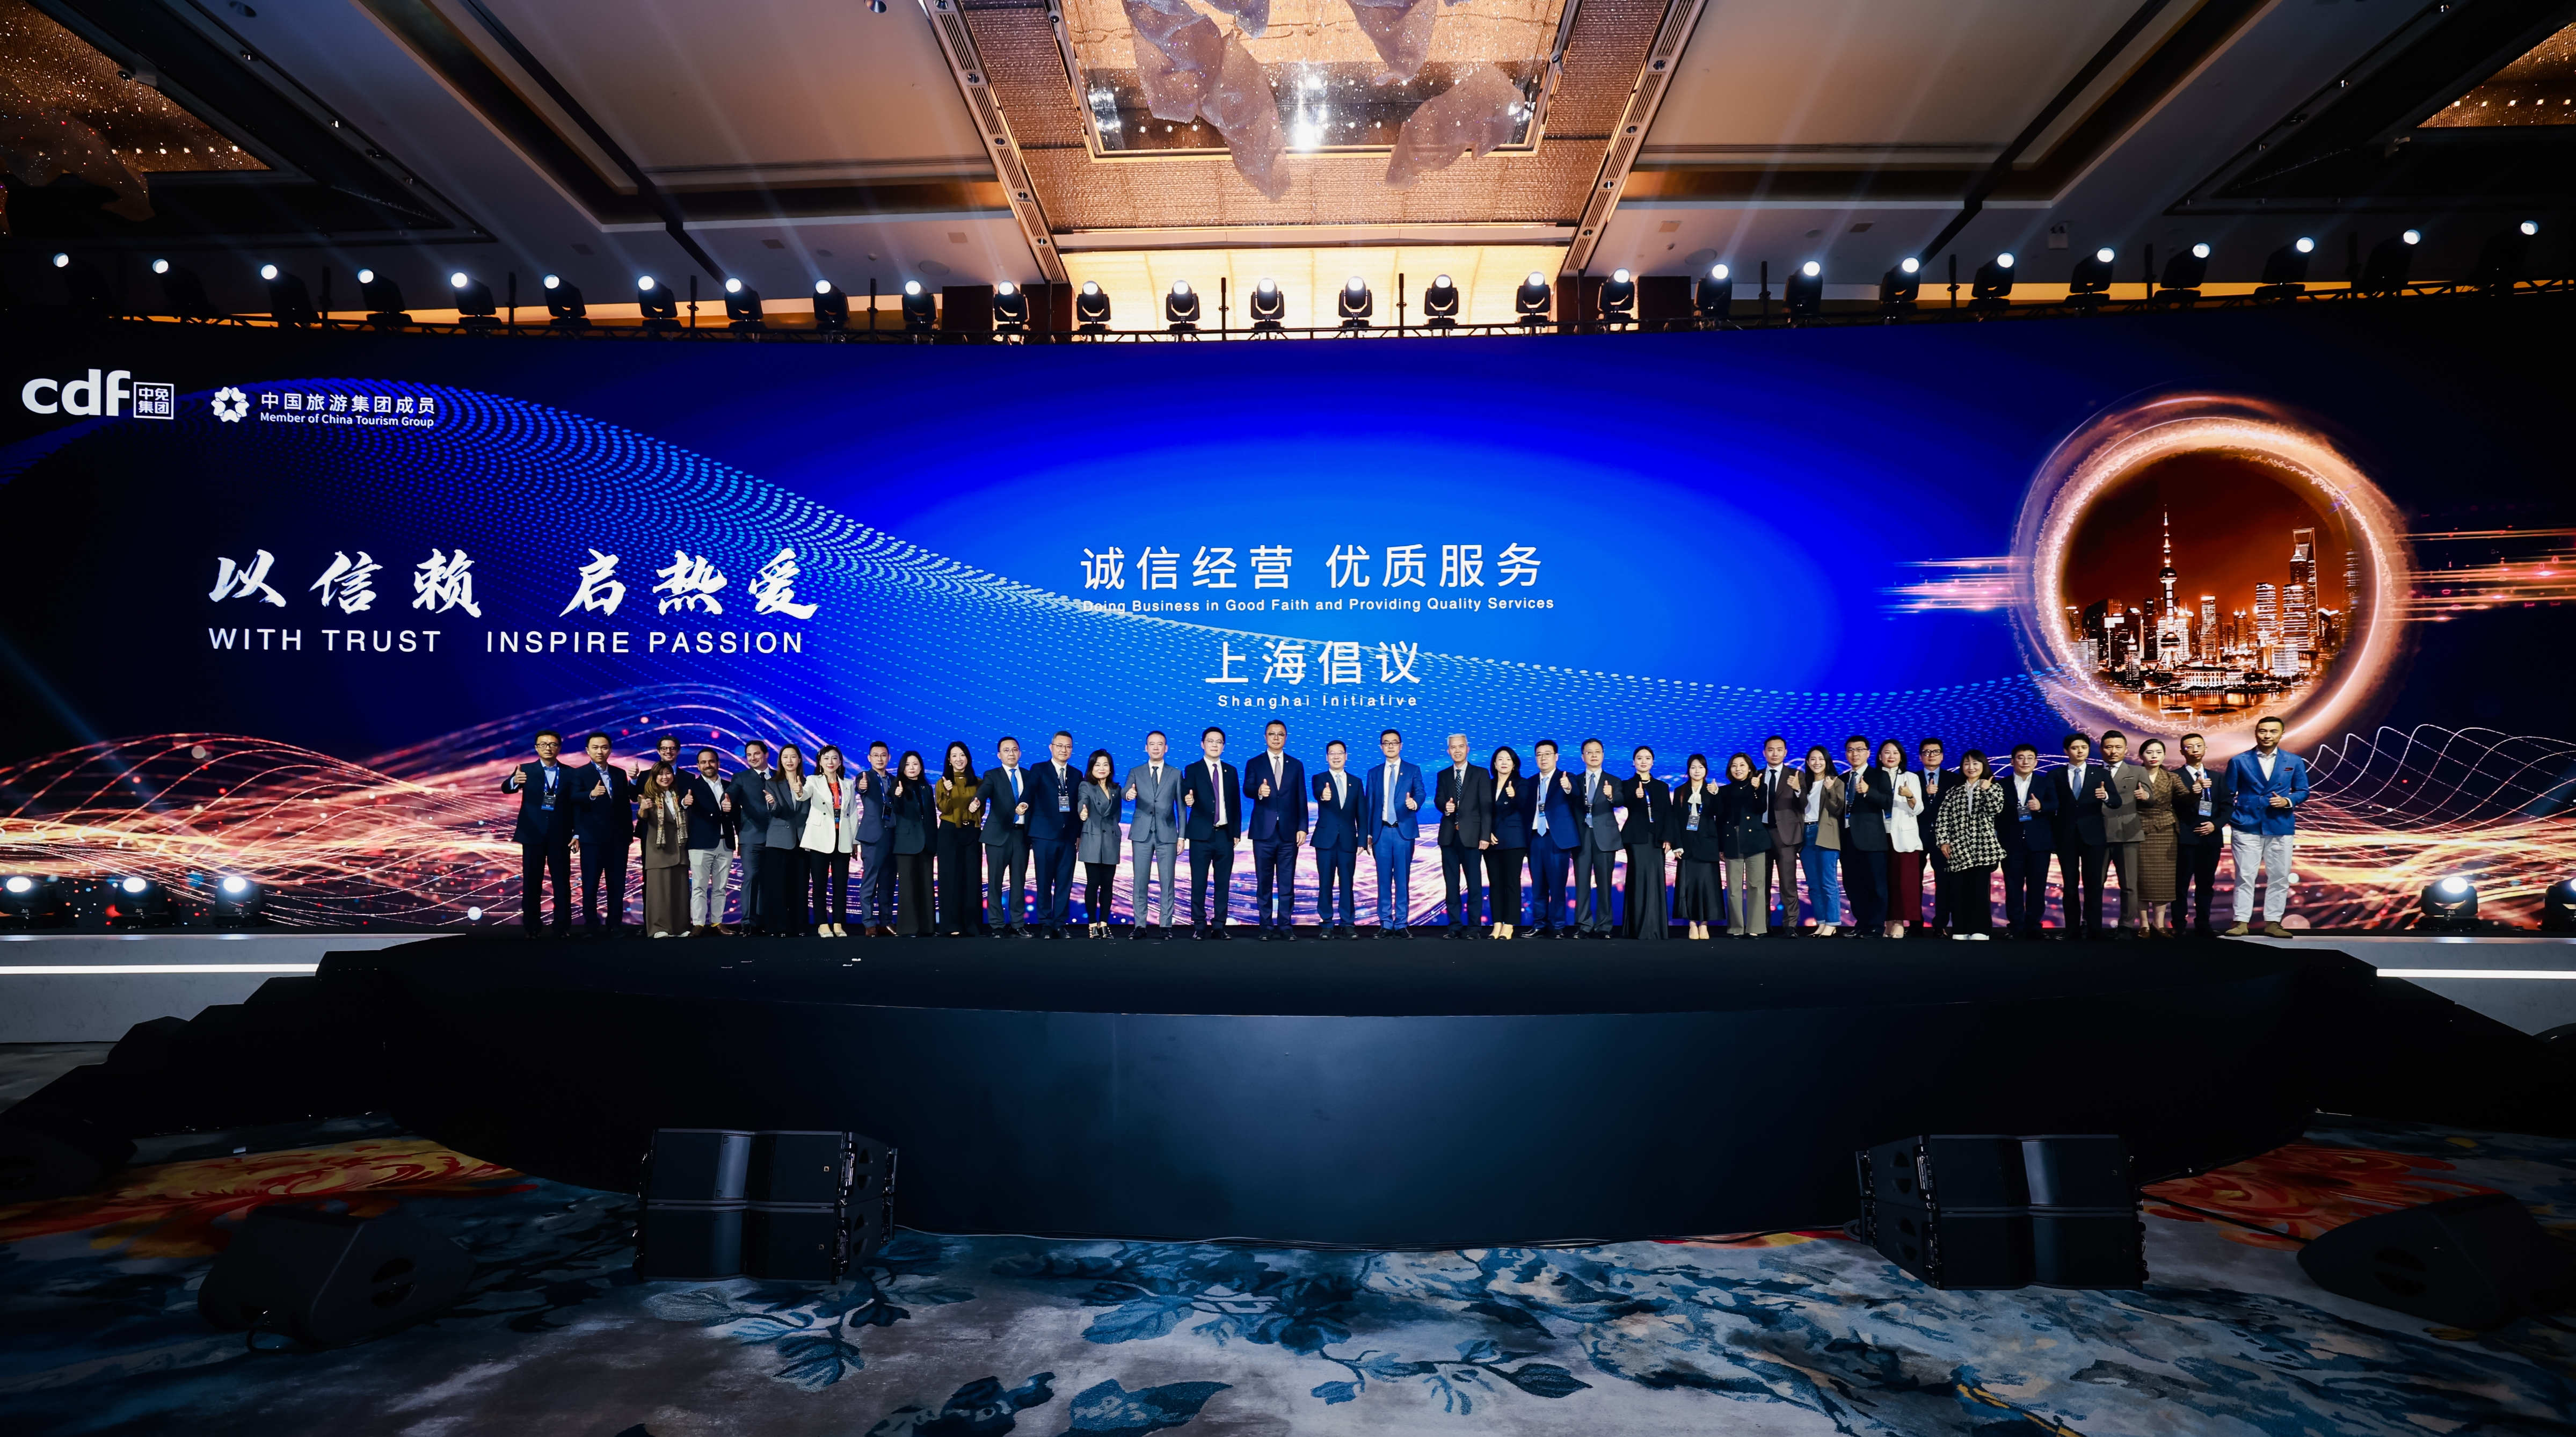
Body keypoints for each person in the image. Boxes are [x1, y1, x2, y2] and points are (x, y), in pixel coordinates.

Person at [2224, 715, 2308, 937]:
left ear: (2281, 734)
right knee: (2245, 876)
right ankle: (2241, 922)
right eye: (2263, 731)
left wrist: (2287, 801)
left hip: (2280, 824)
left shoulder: (2294, 761)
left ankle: (2273, 922)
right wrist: (2234, 818)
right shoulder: (2239, 761)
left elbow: (2303, 791)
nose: (2267, 735)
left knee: (2280, 876)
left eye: (2273, 731)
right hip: (2246, 825)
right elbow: (2227, 794)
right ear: (2256, 733)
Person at [501, 729, 576, 936]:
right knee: (532, 882)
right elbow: (506, 788)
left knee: (562, 883)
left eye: (552, 744)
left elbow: (577, 806)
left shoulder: (571, 773)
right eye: (543, 744)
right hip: (533, 834)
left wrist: (576, 833)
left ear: (559, 748)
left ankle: (562, 928)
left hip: (560, 835)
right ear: (536, 748)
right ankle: (532, 928)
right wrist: (515, 781)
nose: (548, 748)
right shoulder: (525, 770)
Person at [2050, 732, 2121, 939]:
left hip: (2094, 837)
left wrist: (2105, 796)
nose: (2080, 751)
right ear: (2066, 751)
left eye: (2084, 747)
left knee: (2094, 885)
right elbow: (2052, 805)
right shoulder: (2056, 775)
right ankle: (2072, 929)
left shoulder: (2100, 774)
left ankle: (2095, 929)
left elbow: (2116, 801)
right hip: (2066, 837)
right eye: (2075, 748)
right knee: (2070, 885)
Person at [570, 731, 637, 937]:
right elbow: (573, 799)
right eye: (596, 748)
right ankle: (592, 926)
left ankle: (614, 925)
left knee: (617, 885)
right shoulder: (580, 773)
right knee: (590, 885)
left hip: (618, 839)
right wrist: (591, 795)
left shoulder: (619, 773)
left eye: (604, 747)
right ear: (588, 751)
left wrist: (634, 781)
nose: (600, 751)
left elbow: (628, 800)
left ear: (610, 750)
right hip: (591, 838)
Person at [1933, 749, 2005, 939]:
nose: (1971, 767)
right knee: (1959, 892)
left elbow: (1995, 809)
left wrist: (1986, 790)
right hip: (1959, 850)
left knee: (1980, 893)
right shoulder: (1954, 791)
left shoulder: (1994, 787)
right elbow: (1943, 818)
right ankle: (1961, 929)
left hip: (1982, 848)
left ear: (1983, 766)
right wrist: (1943, 842)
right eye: (1967, 764)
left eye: (1975, 763)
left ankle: (1981, 930)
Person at [1246, 720, 1307, 941]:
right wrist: (1259, 791)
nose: (1276, 738)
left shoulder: (1296, 765)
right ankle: (1265, 926)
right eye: (1272, 734)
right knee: (1264, 882)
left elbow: (1301, 798)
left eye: (1280, 734)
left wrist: (1303, 827)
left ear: (1286, 738)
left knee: (1286, 882)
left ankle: (1285, 926)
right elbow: (1247, 788)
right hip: (1264, 833)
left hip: (1289, 833)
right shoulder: (1255, 763)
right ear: (1265, 737)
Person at [1362, 729, 1425, 938]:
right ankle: (1386, 923)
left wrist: (1415, 803)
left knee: (1402, 879)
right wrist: (1368, 834)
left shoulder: (1413, 770)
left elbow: (1421, 792)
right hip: (1381, 832)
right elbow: (1370, 804)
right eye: (1386, 743)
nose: (1390, 746)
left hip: (1403, 831)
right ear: (1381, 747)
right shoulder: (1374, 773)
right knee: (1383, 880)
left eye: (1394, 742)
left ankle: (1402, 923)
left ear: (1401, 746)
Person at [1182, 725, 1242, 939]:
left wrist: (1236, 832)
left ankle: (1219, 926)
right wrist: (1187, 798)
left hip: (1225, 835)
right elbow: (1186, 792)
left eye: (1219, 742)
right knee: (1199, 882)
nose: (1215, 745)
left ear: (1224, 746)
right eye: (1211, 741)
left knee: (1223, 883)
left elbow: (1235, 804)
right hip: (1200, 835)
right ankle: (1199, 926)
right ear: (1202, 744)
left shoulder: (1231, 771)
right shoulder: (1192, 769)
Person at [1125, 732, 1186, 940]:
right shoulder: (1136, 772)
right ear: (1146, 748)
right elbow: (1125, 792)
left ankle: (1166, 926)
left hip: (1167, 834)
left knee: (1167, 882)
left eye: (1160, 745)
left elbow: (1181, 808)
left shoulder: (1176, 774)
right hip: (1141, 834)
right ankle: (1140, 925)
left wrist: (1182, 836)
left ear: (1166, 748)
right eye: (1152, 744)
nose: (1156, 748)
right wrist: (1129, 795)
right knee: (1140, 882)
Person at [1435, 732, 1493, 939]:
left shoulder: (1481, 774)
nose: (1457, 751)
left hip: (1473, 837)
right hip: (1449, 837)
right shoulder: (1443, 775)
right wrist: (1445, 807)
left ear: (1468, 749)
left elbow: (1486, 808)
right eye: (1453, 747)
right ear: (1448, 751)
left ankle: (1475, 928)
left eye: (1461, 747)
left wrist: (1485, 836)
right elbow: (1439, 800)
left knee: (1474, 885)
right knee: (1452, 886)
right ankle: (1455, 927)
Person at [800, 744, 861, 937]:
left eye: (834, 758)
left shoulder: (848, 784)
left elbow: (853, 813)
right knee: (819, 884)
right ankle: (822, 923)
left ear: (840, 761)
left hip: (842, 839)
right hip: (820, 839)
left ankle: (838, 923)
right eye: (826, 758)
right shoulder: (813, 780)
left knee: (840, 885)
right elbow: (803, 795)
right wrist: (798, 791)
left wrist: (855, 841)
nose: (830, 762)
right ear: (820, 762)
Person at [725, 740, 785, 935]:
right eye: (749, 755)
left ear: (766, 754)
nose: (752, 758)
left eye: (756, 754)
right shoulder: (741, 778)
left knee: (772, 881)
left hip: (777, 838)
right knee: (751, 878)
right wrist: (726, 801)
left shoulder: (779, 776)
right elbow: (729, 795)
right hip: (751, 837)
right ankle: (748, 923)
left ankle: (767, 922)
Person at [1999, 742, 2059, 939]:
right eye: (2020, 758)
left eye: (2030, 758)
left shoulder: (2045, 782)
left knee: (2037, 887)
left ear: (2036, 762)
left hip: (2039, 844)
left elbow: (2056, 804)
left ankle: (2034, 927)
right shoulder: (2002, 785)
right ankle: (2016, 927)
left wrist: (2041, 806)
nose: (2025, 762)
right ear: (2012, 761)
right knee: (2013, 887)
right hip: (2011, 844)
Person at [978, 736, 1034, 937]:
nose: (1011, 753)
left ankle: (1017, 924)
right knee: (995, 882)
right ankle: (997, 925)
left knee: (1018, 882)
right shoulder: (992, 775)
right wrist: (977, 800)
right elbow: (984, 791)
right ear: (999, 755)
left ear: (1020, 753)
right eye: (1007, 750)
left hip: (1021, 836)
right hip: (998, 836)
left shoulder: (1029, 776)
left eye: (1015, 750)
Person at [1310, 739, 1366, 939]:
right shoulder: (1319, 779)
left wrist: (1362, 840)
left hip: (1349, 840)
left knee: (1347, 884)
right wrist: (1323, 795)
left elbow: (1362, 813)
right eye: (1332, 753)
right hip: (1325, 840)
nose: (1336, 757)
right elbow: (1319, 793)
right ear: (1327, 757)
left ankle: (1348, 923)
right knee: (1325, 883)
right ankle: (1326, 923)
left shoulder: (1356, 782)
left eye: (1340, 753)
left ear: (1346, 756)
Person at [2174, 732, 2229, 937]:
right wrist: (2194, 792)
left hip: (2210, 839)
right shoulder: (2175, 776)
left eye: (2199, 746)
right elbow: (2173, 806)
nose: (2195, 750)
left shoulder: (2217, 777)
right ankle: (2179, 924)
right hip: (2185, 839)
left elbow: (2227, 807)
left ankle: (2203, 923)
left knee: (2206, 884)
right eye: (2189, 747)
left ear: (2206, 749)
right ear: (2182, 752)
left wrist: (2215, 825)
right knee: (2180, 885)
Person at [1030, 731, 1083, 939]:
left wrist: (1078, 834)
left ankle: (1060, 923)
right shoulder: (1039, 769)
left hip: (1068, 837)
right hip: (1043, 836)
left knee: (1064, 883)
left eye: (1068, 747)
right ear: (1051, 747)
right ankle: (1045, 923)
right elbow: (1029, 794)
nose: (1064, 750)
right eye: (1060, 746)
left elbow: (1079, 806)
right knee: (1043, 881)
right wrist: (1023, 805)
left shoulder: (1077, 774)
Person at [1570, 739, 1624, 939]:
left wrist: (1611, 796)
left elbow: (1620, 800)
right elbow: (1569, 804)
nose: (1594, 756)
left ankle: (1604, 927)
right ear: (1582, 756)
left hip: (1605, 837)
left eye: (1597, 752)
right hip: (1582, 836)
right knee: (1582, 884)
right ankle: (1584, 925)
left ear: (1603, 755)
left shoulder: (1614, 780)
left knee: (1605, 884)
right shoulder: (1575, 780)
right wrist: (1567, 790)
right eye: (1589, 752)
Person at [679, 747, 736, 935]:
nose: (708, 765)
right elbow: (682, 803)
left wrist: (731, 809)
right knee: (699, 886)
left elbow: (737, 815)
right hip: (700, 844)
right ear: (698, 766)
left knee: (721, 887)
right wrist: (684, 802)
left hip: (725, 843)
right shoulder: (692, 787)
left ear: (718, 763)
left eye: (711, 761)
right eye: (703, 762)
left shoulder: (730, 786)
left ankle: (717, 923)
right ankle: (698, 924)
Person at [1525, 740, 1578, 938]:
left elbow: (1577, 796)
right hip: (1535, 838)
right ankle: (1539, 925)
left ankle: (1558, 926)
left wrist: (1568, 788)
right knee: (1538, 885)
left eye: (1547, 754)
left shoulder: (1567, 778)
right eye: (1539, 755)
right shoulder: (1530, 782)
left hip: (1557, 839)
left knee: (1557, 886)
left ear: (1556, 757)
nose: (1543, 758)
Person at [2131, 737, 2184, 936]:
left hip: (2165, 830)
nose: (2154, 756)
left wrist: (2196, 792)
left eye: (2159, 752)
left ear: (2164, 755)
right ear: (2141, 755)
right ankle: (2144, 924)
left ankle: (2159, 924)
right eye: (2149, 752)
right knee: (2141, 878)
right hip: (2138, 828)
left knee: (2163, 879)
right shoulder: (2132, 775)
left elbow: (2185, 798)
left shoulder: (2171, 777)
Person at [2099, 730, 2149, 938]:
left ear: (2126, 749)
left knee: (2129, 884)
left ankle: (2127, 925)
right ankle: (2091, 924)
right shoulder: (2094, 772)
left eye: (2118, 747)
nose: (2113, 751)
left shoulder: (2138, 771)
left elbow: (2152, 797)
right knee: (2095, 884)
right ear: (2102, 749)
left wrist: (2146, 795)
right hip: (2098, 835)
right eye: (2109, 747)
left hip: (2127, 833)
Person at [1840, 735, 1891, 935]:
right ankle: (1861, 924)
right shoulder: (1842, 779)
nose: (1855, 754)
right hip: (1847, 839)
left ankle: (1876, 926)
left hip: (1872, 839)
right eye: (1851, 750)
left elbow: (1888, 802)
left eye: (1860, 750)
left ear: (1869, 753)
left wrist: (1869, 791)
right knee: (1853, 885)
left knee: (1876, 885)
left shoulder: (1879, 775)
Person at [1718, 752, 1772, 938]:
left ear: (1750, 769)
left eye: (1742, 765)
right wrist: (1720, 847)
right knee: (1733, 888)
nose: (1738, 769)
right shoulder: (1724, 791)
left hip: (1755, 840)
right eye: (1734, 766)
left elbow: (1761, 808)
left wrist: (1756, 790)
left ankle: (1756, 927)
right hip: (1732, 839)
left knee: (1756, 885)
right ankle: (1736, 927)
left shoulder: (1759, 786)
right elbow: (1720, 820)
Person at [636, 761, 692, 938]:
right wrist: (642, 809)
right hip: (659, 850)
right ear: (654, 778)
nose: (665, 777)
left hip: (679, 848)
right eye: (660, 774)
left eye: (668, 773)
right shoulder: (647, 797)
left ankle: (680, 927)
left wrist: (685, 805)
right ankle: (658, 928)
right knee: (659, 892)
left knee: (679, 890)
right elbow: (643, 816)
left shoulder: (678, 796)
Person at [1621, 745, 1670, 940]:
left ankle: (1655, 928)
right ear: (1633, 762)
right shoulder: (1627, 784)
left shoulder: (1662, 786)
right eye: (1640, 758)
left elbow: (1668, 814)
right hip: (1636, 839)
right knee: (1639, 881)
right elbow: (1624, 803)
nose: (1643, 761)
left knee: (1656, 882)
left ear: (1653, 762)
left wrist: (1668, 838)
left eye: (1647, 758)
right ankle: (1638, 928)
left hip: (1657, 840)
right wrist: (1636, 797)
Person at [1670, 754, 1722, 939]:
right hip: (1687, 846)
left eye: (1701, 767)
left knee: (1708, 887)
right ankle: (1692, 924)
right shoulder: (1680, 791)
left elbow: (1720, 814)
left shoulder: (1712, 790)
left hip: (1708, 845)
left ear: (1706, 770)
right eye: (1693, 767)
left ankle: (1705, 924)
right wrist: (1677, 845)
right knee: (1689, 887)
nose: (1697, 771)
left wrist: (1716, 795)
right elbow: (1675, 820)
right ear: (1688, 770)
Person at [1878, 739, 1926, 940]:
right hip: (1878, 835)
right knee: (1882, 882)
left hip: (1903, 837)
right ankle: (1886, 922)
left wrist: (1909, 795)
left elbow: (1919, 809)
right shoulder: (1873, 777)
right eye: (1887, 752)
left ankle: (1898, 921)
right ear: (1879, 756)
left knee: (1902, 883)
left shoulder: (1910, 777)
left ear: (1901, 756)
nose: (1891, 756)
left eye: (1895, 753)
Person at [934, 742, 983, 936]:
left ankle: (972, 925)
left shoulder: (978, 782)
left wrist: (977, 807)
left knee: (972, 878)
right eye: (954, 756)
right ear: (949, 760)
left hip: (972, 832)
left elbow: (981, 810)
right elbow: (944, 808)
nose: (959, 759)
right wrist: (947, 792)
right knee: (950, 878)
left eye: (962, 755)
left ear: (968, 758)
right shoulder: (943, 782)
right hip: (949, 833)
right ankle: (952, 925)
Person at [1796, 745, 1844, 937]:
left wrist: (1830, 790)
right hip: (1805, 833)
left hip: (1825, 833)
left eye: (1821, 759)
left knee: (1828, 882)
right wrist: (1797, 791)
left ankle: (1833, 922)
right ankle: (1822, 922)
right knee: (1814, 884)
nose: (1817, 763)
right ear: (1808, 763)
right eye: (1813, 759)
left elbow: (1838, 809)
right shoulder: (1804, 783)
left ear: (1827, 761)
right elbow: (1798, 809)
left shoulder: (1835, 781)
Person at [889, 750, 937, 937]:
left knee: (926, 886)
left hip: (926, 843)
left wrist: (934, 842)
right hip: (906, 843)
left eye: (915, 764)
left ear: (921, 767)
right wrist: (898, 796)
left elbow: (931, 816)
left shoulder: (926, 787)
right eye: (908, 764)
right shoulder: (897, 786)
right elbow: (896, 810)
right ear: (902, 767)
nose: (912, 768)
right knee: (908, 887)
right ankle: (909, 929)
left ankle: (927, 928)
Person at [1078, 748, 1124, 938]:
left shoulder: (1116, 789)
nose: (1102, 768)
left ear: (1111, 768)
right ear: (1091, 767)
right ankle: (1092, 925)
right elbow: (1083, 802)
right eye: (1097, 765)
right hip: (1092, 839)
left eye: (1105, 765)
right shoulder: (1086, 786)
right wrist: (1082, 812)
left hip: (1111, 840)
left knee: (1108, 884)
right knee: (1093, 883)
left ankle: (1104, 924)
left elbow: (1117, 815)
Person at [1759, 736, 1804, 934]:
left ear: (1786, 752)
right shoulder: (1757, 775)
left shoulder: (1796, 775)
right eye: (1771, 750)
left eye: (1779, 750)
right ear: (1764, 753)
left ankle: (1791, 925)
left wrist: (1798, 789)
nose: (1775, 753)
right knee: (1761, 884)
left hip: (1786, 836)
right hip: (1761, 835)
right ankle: (1762, 925)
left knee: (1788, 883)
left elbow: (1804, 805)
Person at [1486, 745, 1530, 940]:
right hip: (1491, 840)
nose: (1504, 762)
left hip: (1514, 840)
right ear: (1495, 764)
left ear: (1514, 764)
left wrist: (1515, 797)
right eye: (1500, 759)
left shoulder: (1522, 784)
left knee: (1512, 882)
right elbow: (1482, 811)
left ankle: (1509, 925)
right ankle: (1497, 924)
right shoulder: (1487, 784)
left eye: (1508, 759)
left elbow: (1527, 808)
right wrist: (1486, 832)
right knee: (1495, 883)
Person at [1915, 738, 1958, 938]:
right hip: (1916, 837)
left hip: (1944, 839)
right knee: (1914, 882)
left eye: (1936, 752)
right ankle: (1915, 925)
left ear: (1942, 756)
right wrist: (1924, 795)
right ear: (1920, 756)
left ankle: (1940, 925)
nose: (1931, 755)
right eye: (1926, 752)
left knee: (1944, 882)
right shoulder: (1912, 778)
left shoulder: (1954, 779)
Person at [854, 741, 897, 937]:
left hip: (892, 835)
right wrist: (861, 786)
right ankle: (869, 923)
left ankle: (886, 922)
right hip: (873, 836)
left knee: (888, 882)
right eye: (876, 755)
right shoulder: (865, 777)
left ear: (889, 758)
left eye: (883, 755)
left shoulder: (895, 780)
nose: (880, 759)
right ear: (869, 758)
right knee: (870, 881)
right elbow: (861, 787)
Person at [769, 743, 812, 934]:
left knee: (801, 886)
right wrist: (773, 804)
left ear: (799, 760)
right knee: (779, 886)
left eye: (793, 757)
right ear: (780, 761)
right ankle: (781, 927)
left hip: (803, 840)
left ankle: (800, 926)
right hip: (779, 841)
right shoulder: (772, 783)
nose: (789, 761)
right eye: (785, 757)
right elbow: (774, 812)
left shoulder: (809, 782)